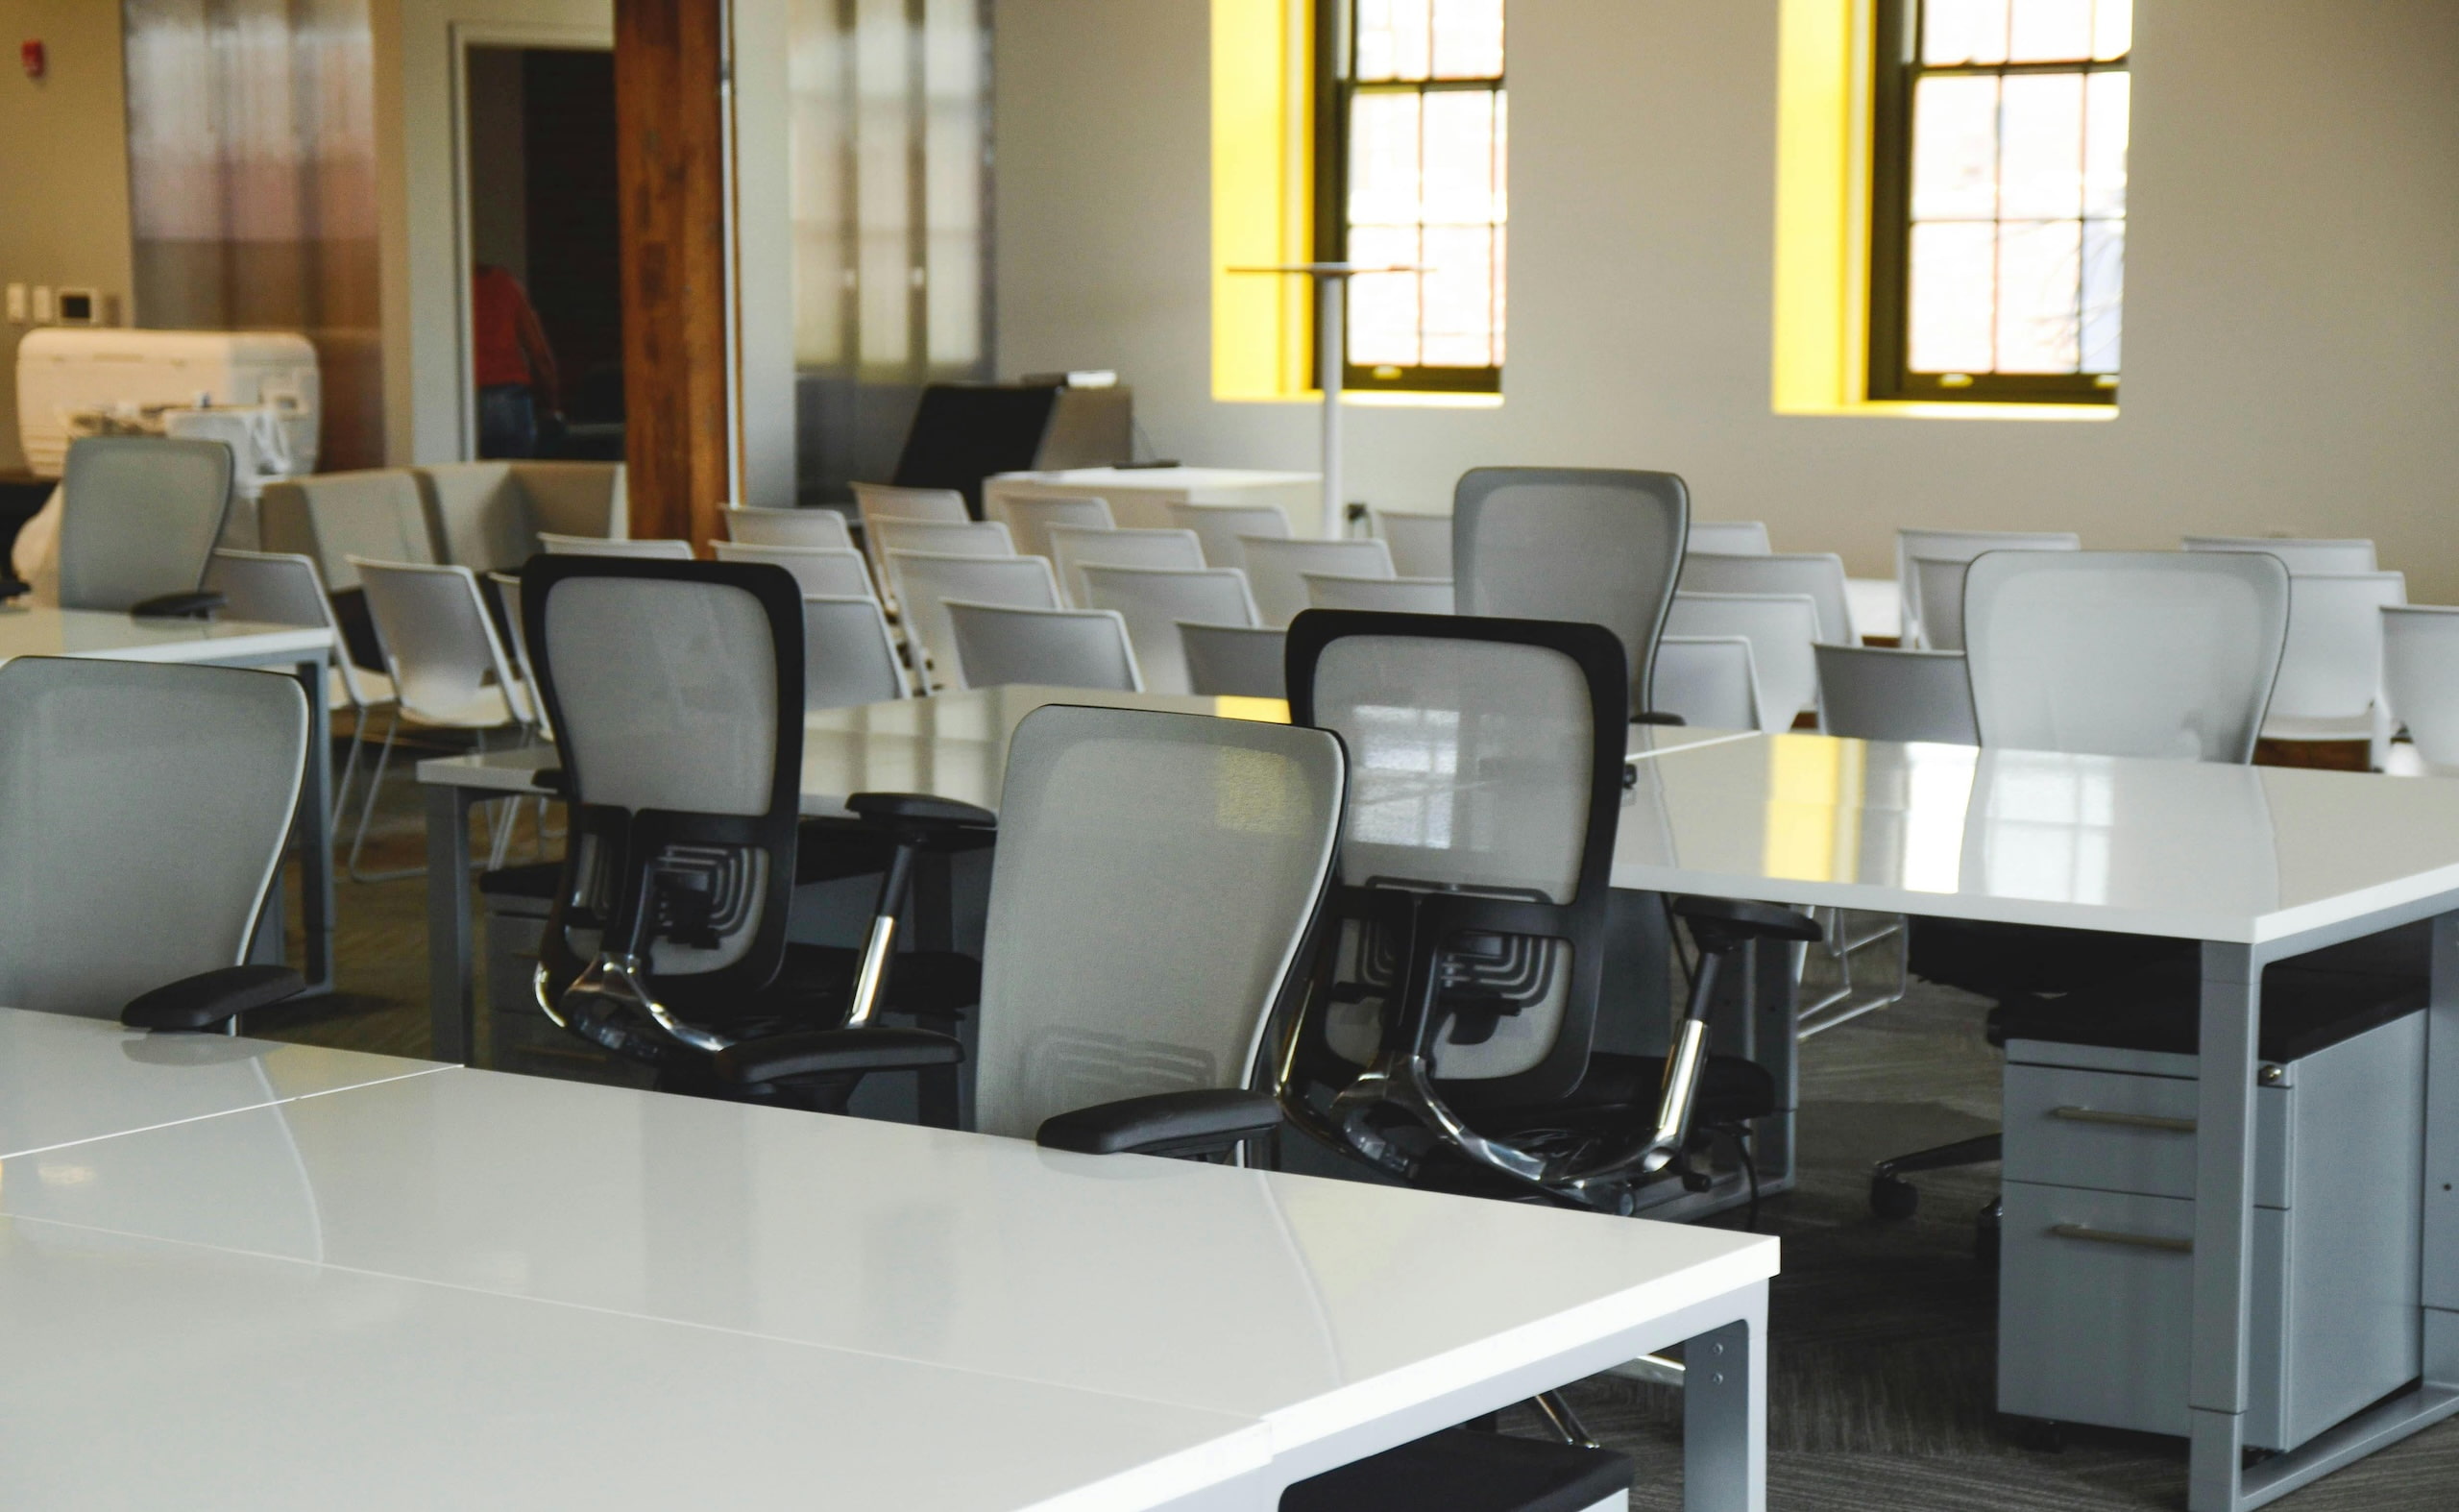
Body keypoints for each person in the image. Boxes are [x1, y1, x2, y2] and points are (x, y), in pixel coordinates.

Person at [472, 262, 562, 459]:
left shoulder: (451, 289)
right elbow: (540, 355)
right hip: (509, 396)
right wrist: (553, 407)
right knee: (514, 478)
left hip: (465, 397)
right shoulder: (506, 286)